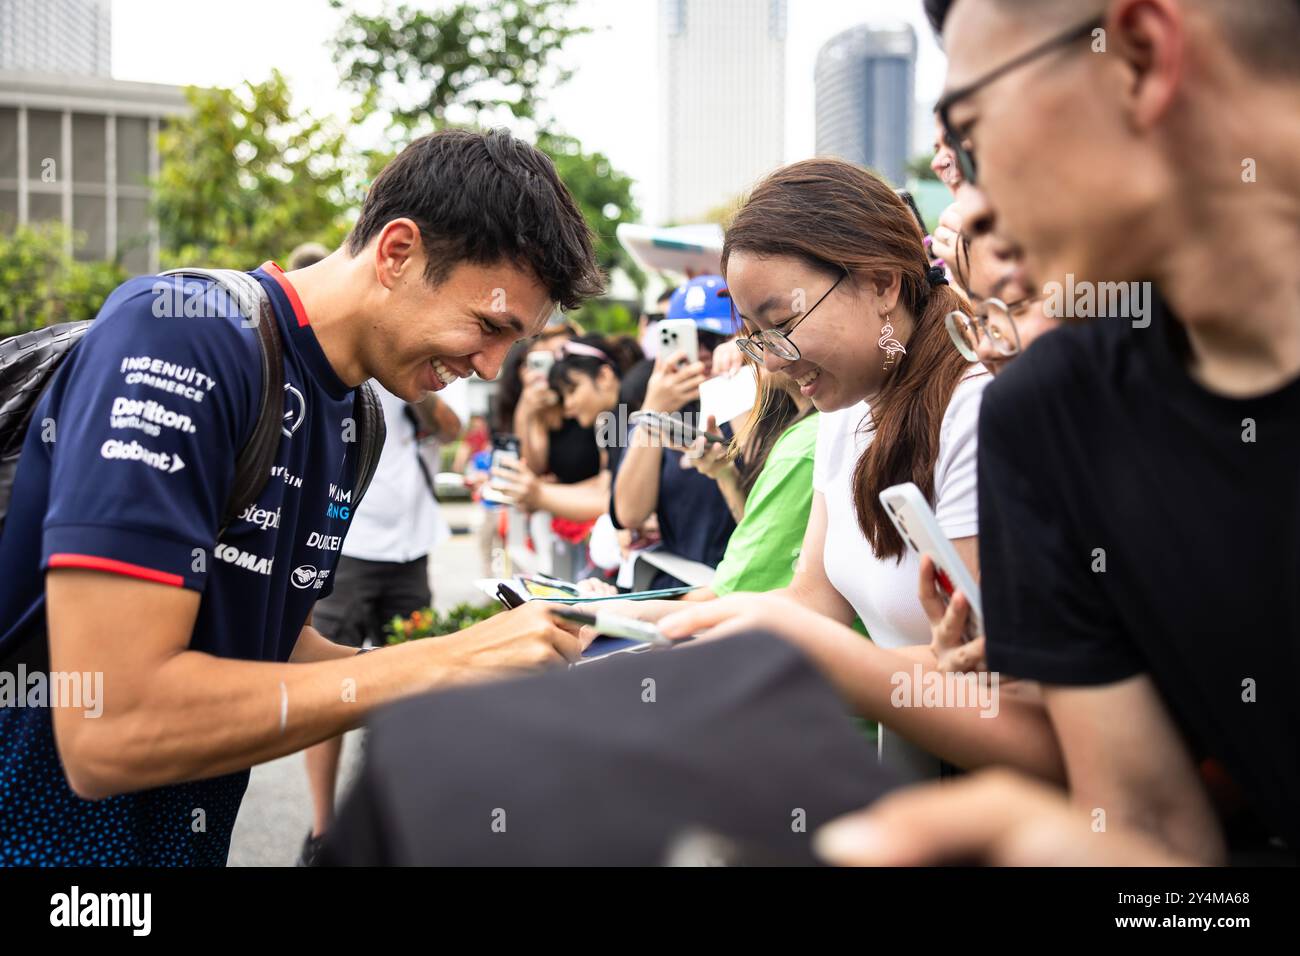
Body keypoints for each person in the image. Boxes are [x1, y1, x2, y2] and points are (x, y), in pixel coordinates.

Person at [0, 128, 602, 865]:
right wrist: (452, 662)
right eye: (488, 325)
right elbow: (110, 728)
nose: (489, 366)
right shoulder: (182, 336)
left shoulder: (359, 417)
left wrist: (473, 678)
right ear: (398, 252)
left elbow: (274, 653)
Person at [928, 0, 1300, 863]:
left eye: (971, 137)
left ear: (1137, 53)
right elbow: (1154, 838)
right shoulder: (1045, 422)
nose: (972, 210)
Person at [491, 335, 643, 522]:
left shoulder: (633, 415)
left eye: (573, 390)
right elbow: (604, 488)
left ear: (604, 375)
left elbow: (611, 501)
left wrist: (538, 493)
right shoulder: (611, 422)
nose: (568, 404)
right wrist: (538, 491)